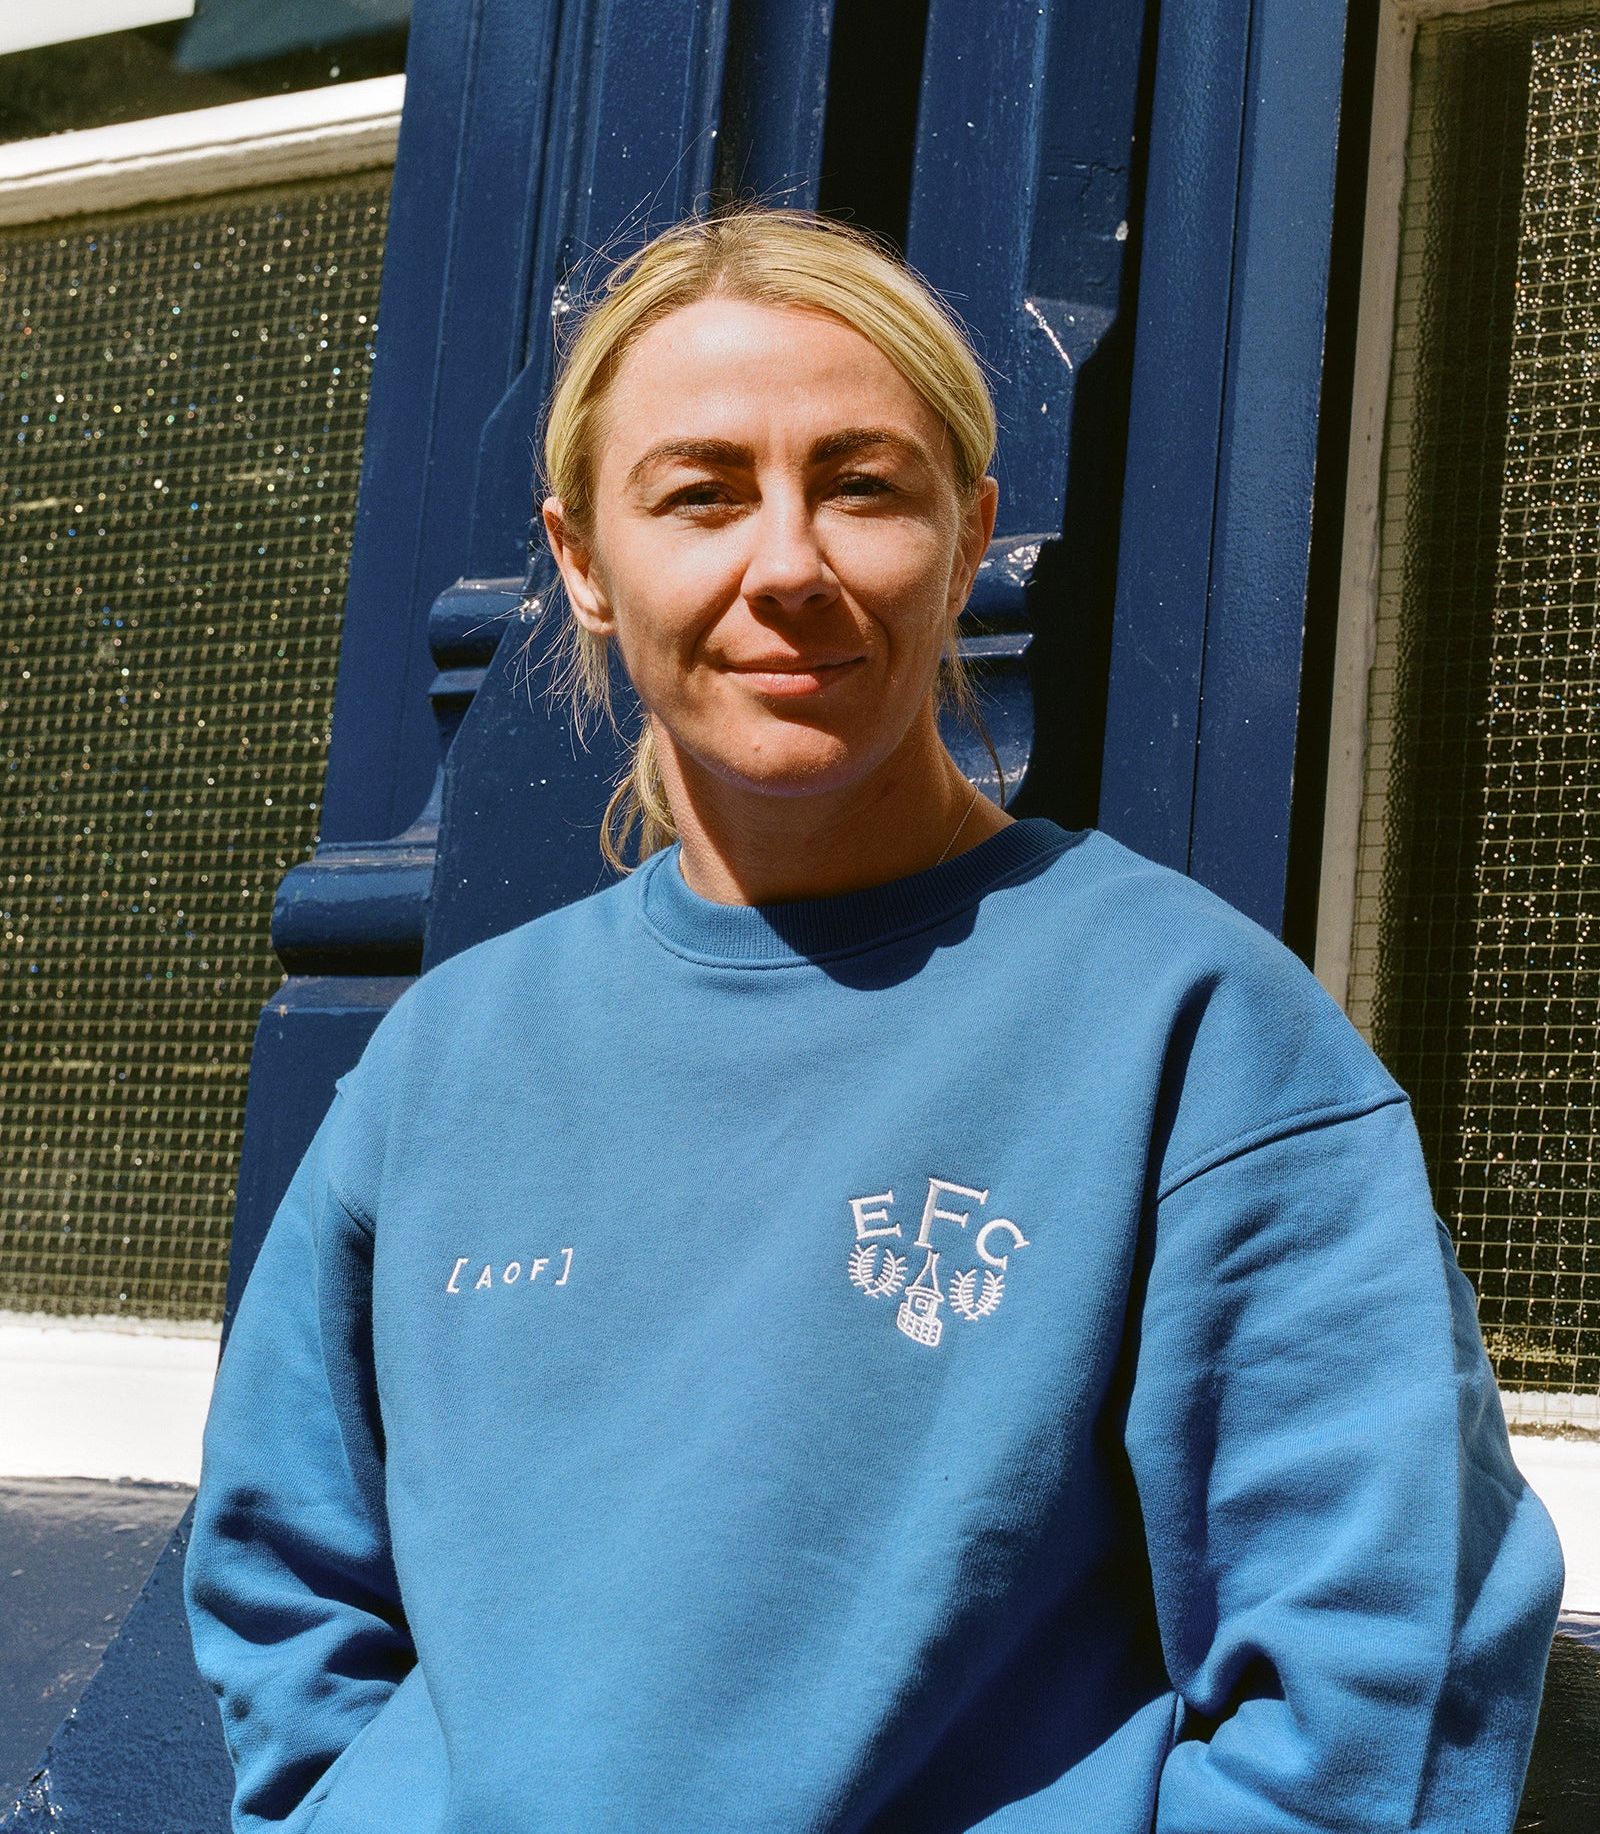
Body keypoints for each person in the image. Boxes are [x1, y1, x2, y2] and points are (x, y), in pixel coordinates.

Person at [185, 209, 1562, 1834]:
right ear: (583, 565)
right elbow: (286, 1594)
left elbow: (1381, 1682)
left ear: (967, 539)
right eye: (702, 494)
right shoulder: (448, 1059)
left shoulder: (1192, 1032)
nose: (788, 567)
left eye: (862, 486)